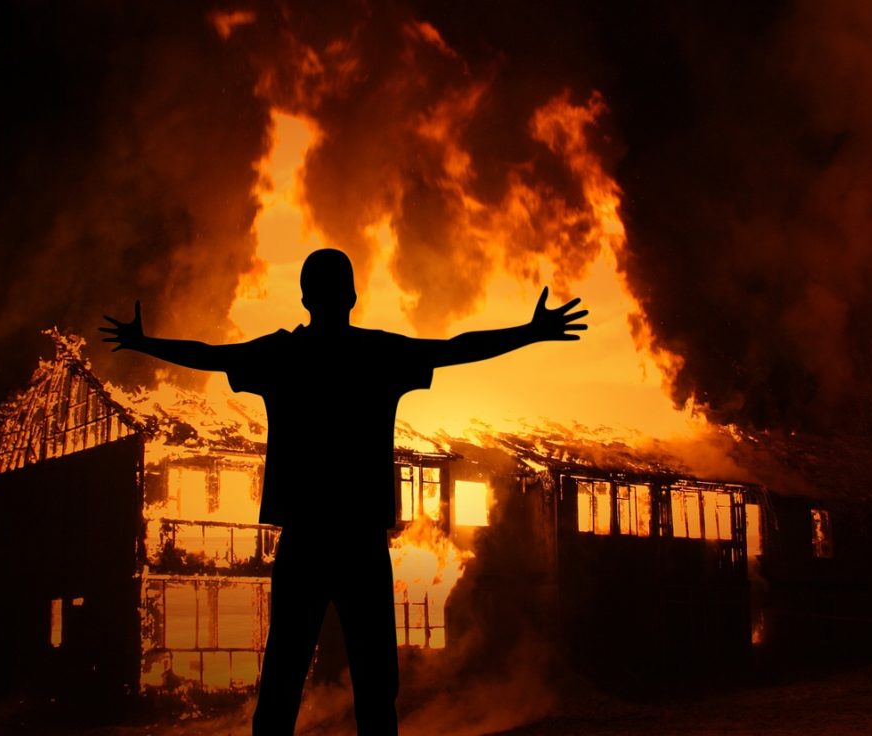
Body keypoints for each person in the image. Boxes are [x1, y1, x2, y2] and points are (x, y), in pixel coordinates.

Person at [102, 248, 587, 735]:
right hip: (360, 542)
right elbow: (456, 347)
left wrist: (144, 343)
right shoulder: (378, 354)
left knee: (282, 681)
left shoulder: (283, 355)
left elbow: (210, 354)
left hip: (304, 540)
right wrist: (530, 331)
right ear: (352, 295)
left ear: (305, 298)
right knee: (376, 689)